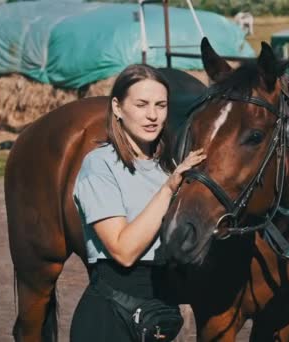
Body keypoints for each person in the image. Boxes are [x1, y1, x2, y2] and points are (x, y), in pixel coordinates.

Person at [70, 64, 205, 341]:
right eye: (141, 104)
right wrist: (168, 189)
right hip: (111, 318)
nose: (153, 115)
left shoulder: (169, 167)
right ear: (118, 108)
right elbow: (123, 250)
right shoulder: (100, 165)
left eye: (161, 105)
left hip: (159, 316)